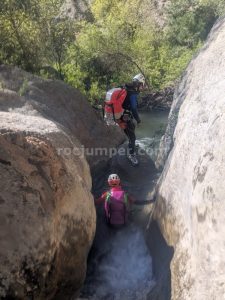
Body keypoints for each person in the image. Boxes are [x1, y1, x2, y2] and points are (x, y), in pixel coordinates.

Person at [119, 73, 145, 166]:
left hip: (120, 114)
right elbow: (133, 108)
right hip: (124, 116)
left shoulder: (125, 88)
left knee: (131, 129)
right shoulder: (132, 93)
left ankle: (132, 145)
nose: (142, 87)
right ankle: (131, 155)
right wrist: (138, 120)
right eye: (142, 84)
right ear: (139, 84)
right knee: (132, 137)